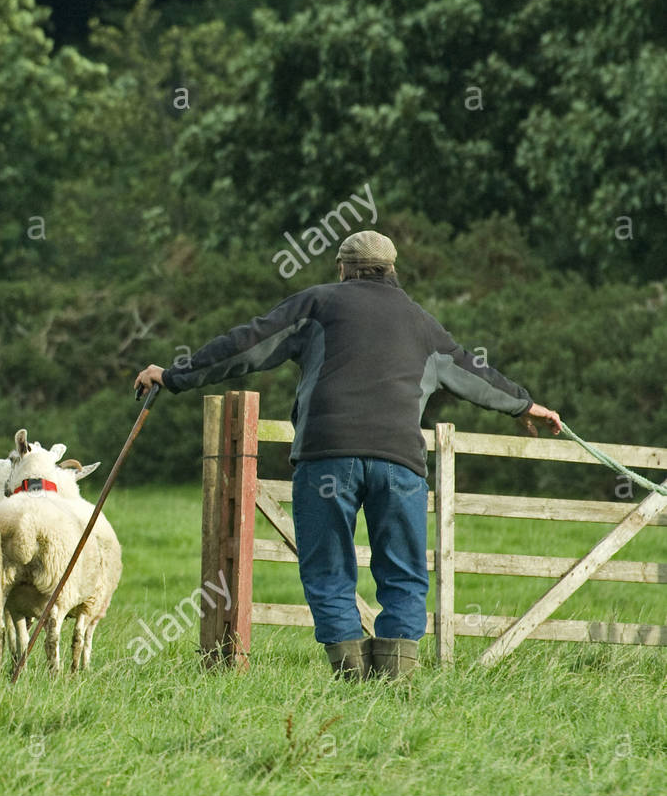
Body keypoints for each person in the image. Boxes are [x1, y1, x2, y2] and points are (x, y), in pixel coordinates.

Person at [133, 231, 561, 680]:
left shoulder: (317, 303)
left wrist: (175, 374)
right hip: (399, 461)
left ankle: (353, 682)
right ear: (393, 270)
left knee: (329, 571)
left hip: (326, 457)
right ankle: (394, 686)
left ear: (342, 268)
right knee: (403, 574)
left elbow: (247, 345)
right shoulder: (421, 322)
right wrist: (524, 404)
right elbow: (476, 373)